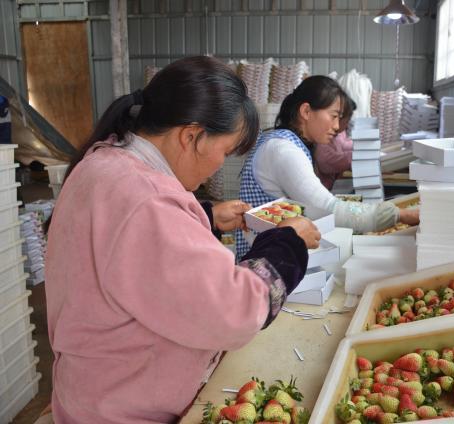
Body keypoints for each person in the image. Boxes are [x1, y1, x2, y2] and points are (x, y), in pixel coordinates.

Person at [44, 56, 320, 423]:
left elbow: (124, 250)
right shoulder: (148, 200)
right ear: (190, 136)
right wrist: (289, 243)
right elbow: (232, 312)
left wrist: (203, 217)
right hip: (124, 409)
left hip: (89, 392)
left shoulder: (104, 162)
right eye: (224, 151)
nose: (221, 164)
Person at [236, 75, 419, 257]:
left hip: (274, 252)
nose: (337, 126)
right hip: (264, 261)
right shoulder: (283, 151)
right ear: (306, 111)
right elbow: (328, 208)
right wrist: (399, 215)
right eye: (333, 116)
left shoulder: (285, 143)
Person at [313, 96, 355, 190]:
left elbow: (343, 145)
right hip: (324, 188)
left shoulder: (339, 133)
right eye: (346, 120)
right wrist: (355, 156)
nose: (347, 124)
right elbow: (325, 161)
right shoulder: (324, 136)